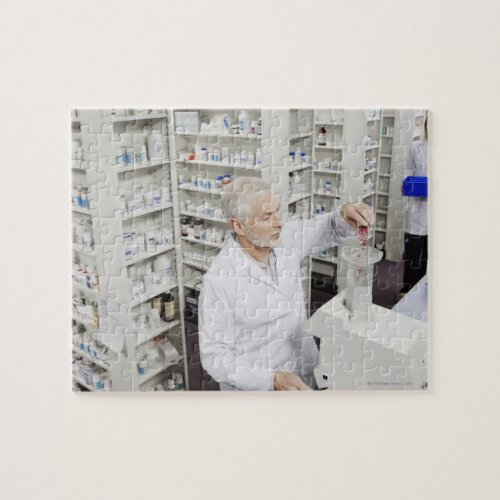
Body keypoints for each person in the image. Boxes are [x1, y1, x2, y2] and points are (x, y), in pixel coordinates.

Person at [198, 177, 373, 391]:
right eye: (267, 217)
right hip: (262, 387)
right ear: (238, 226)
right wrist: (271, 379)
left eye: (277, 212)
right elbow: (215, 357)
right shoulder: (219, 280)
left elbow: (328, 227)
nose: (279, 222)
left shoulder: (284, 238)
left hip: (306, 364)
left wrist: (345, 214)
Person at [397, 115, 428, 301]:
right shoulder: (417, 146)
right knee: (412, 255)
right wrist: (406, 183)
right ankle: (406, 292)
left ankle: (423, 296)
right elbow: (408, 171)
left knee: (428, 259)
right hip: (416, 210)